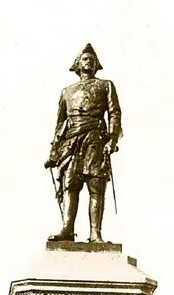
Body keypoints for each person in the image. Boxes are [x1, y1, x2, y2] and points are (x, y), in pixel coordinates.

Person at [44, 43, 122, 243]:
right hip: (71, 143)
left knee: (96, 185)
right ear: (77, 65)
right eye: (85, 59)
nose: (89, 61)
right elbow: (60, 123)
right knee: (71, 185)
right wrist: (54, 152)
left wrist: (112, 140)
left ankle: (95, 233)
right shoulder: (67, 92)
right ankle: (67, 229)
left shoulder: (106, 86)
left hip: (95, 139)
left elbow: (114, 113)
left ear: (96, 65)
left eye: (92, 59)